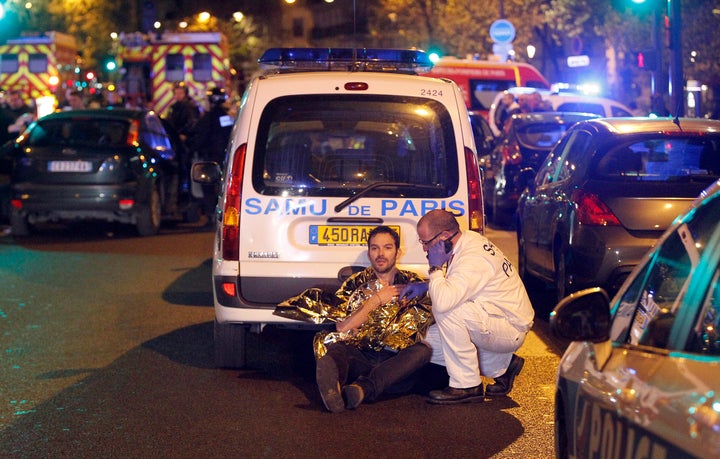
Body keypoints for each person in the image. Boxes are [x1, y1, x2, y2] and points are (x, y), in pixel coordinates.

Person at [276, 226, 436, 413]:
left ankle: (362, 389)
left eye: (387, 247)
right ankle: (336, 386)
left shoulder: (412, 283)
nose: (380, 254)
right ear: (369, 253)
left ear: (398, 252)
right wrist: (375, 300)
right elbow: (343, 327)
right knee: (339, 350)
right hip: (362, 358)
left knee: (422, 351)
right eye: (374, 248)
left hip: (395, 366)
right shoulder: (355, 283)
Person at [400, 209, 534, 404]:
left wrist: (435, 269)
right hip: (490, 318)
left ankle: (467, 385)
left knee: (447, 310)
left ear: (444, 236)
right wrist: (425, 285)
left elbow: (445, 301)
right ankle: (503, 365)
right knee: (426, 341)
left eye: (426, 242)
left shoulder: (474, 257)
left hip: (509, 326)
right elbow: (462, 284)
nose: (424, 249)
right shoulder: (465, 240)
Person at [189, 87, 234, 223]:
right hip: (225, 157)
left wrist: (192, 148)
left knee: (207, 187)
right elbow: (230, 134)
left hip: (210, 158)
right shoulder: (226, 117)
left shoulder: (208, 118)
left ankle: (211, 216)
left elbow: (201, 136)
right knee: (223, 186)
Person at [165, 82, 200, 196]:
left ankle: (188, 194)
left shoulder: (190, 107)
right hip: (176, 142)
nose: (178, 95)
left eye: (180, 93)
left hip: (186, 143)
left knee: (186, 167)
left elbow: (193, 123)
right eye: (176, 93)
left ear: (185, 93)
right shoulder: (174, 107)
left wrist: (184, 134)